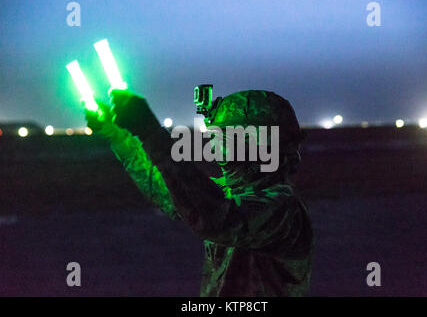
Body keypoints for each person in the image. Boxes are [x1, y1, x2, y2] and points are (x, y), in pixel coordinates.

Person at [85, 88, 314, 296]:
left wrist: (151, 133)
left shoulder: (282, 210)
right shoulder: (234, 193)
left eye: (223, 135)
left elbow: (215, 216)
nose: (213, 145)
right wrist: (116, 134)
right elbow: (170, 191)